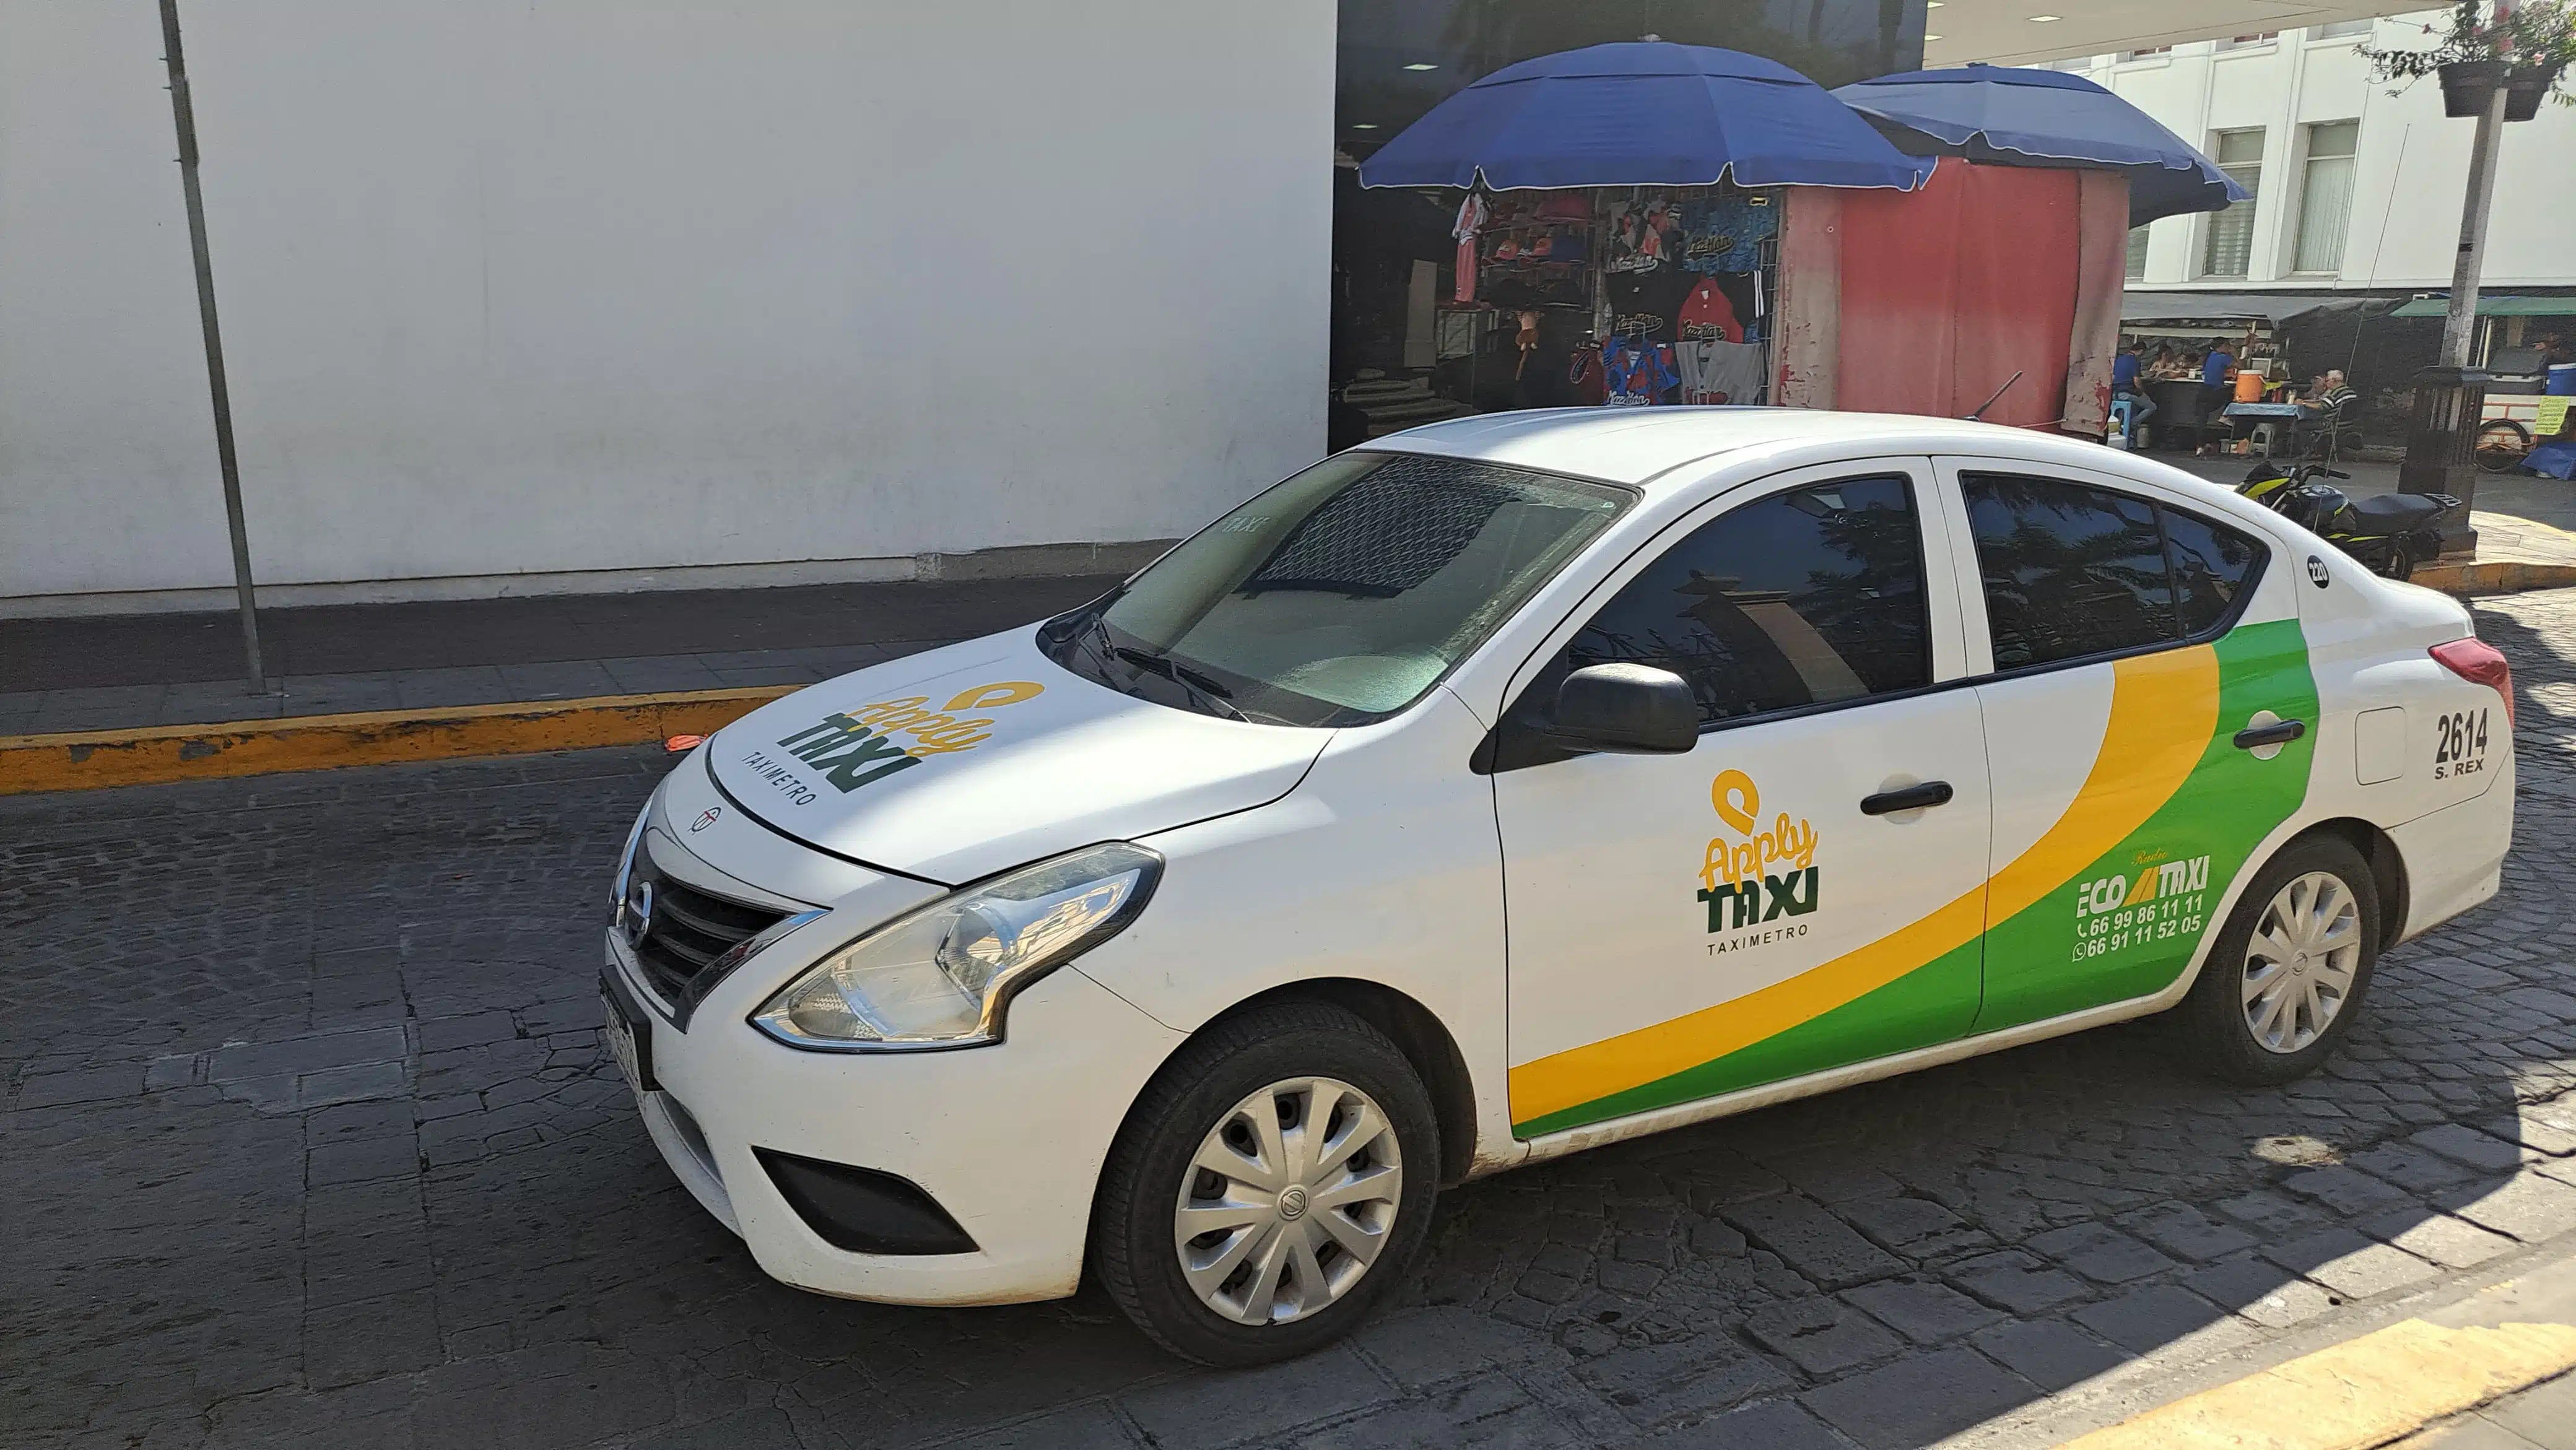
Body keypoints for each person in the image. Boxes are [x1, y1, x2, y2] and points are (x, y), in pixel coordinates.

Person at [2111, 341, 2157, 431]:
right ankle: (2132, 424)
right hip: (2127, 393)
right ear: (2141, 351)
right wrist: (2141, 391)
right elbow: (2136, 380)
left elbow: (2113, 377)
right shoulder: (2134, 361)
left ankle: (2124, 425)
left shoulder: (2119, 359)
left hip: (2115, 393)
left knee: (2133, 407)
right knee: (2151, 407)